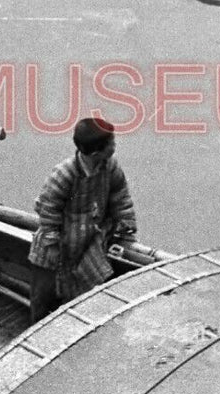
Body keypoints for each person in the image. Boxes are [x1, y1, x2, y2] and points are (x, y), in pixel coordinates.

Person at [27, 115, 139, 324]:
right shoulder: (64, 174)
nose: (114, 146)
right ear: (97, 151)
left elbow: (120, 198)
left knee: (90, 290)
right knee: (42, 299)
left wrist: (126, 228)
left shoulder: (110, 167)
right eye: (111, 143)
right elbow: (48, 211)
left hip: (88, 242)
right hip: (56, 246)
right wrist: (53, 245)